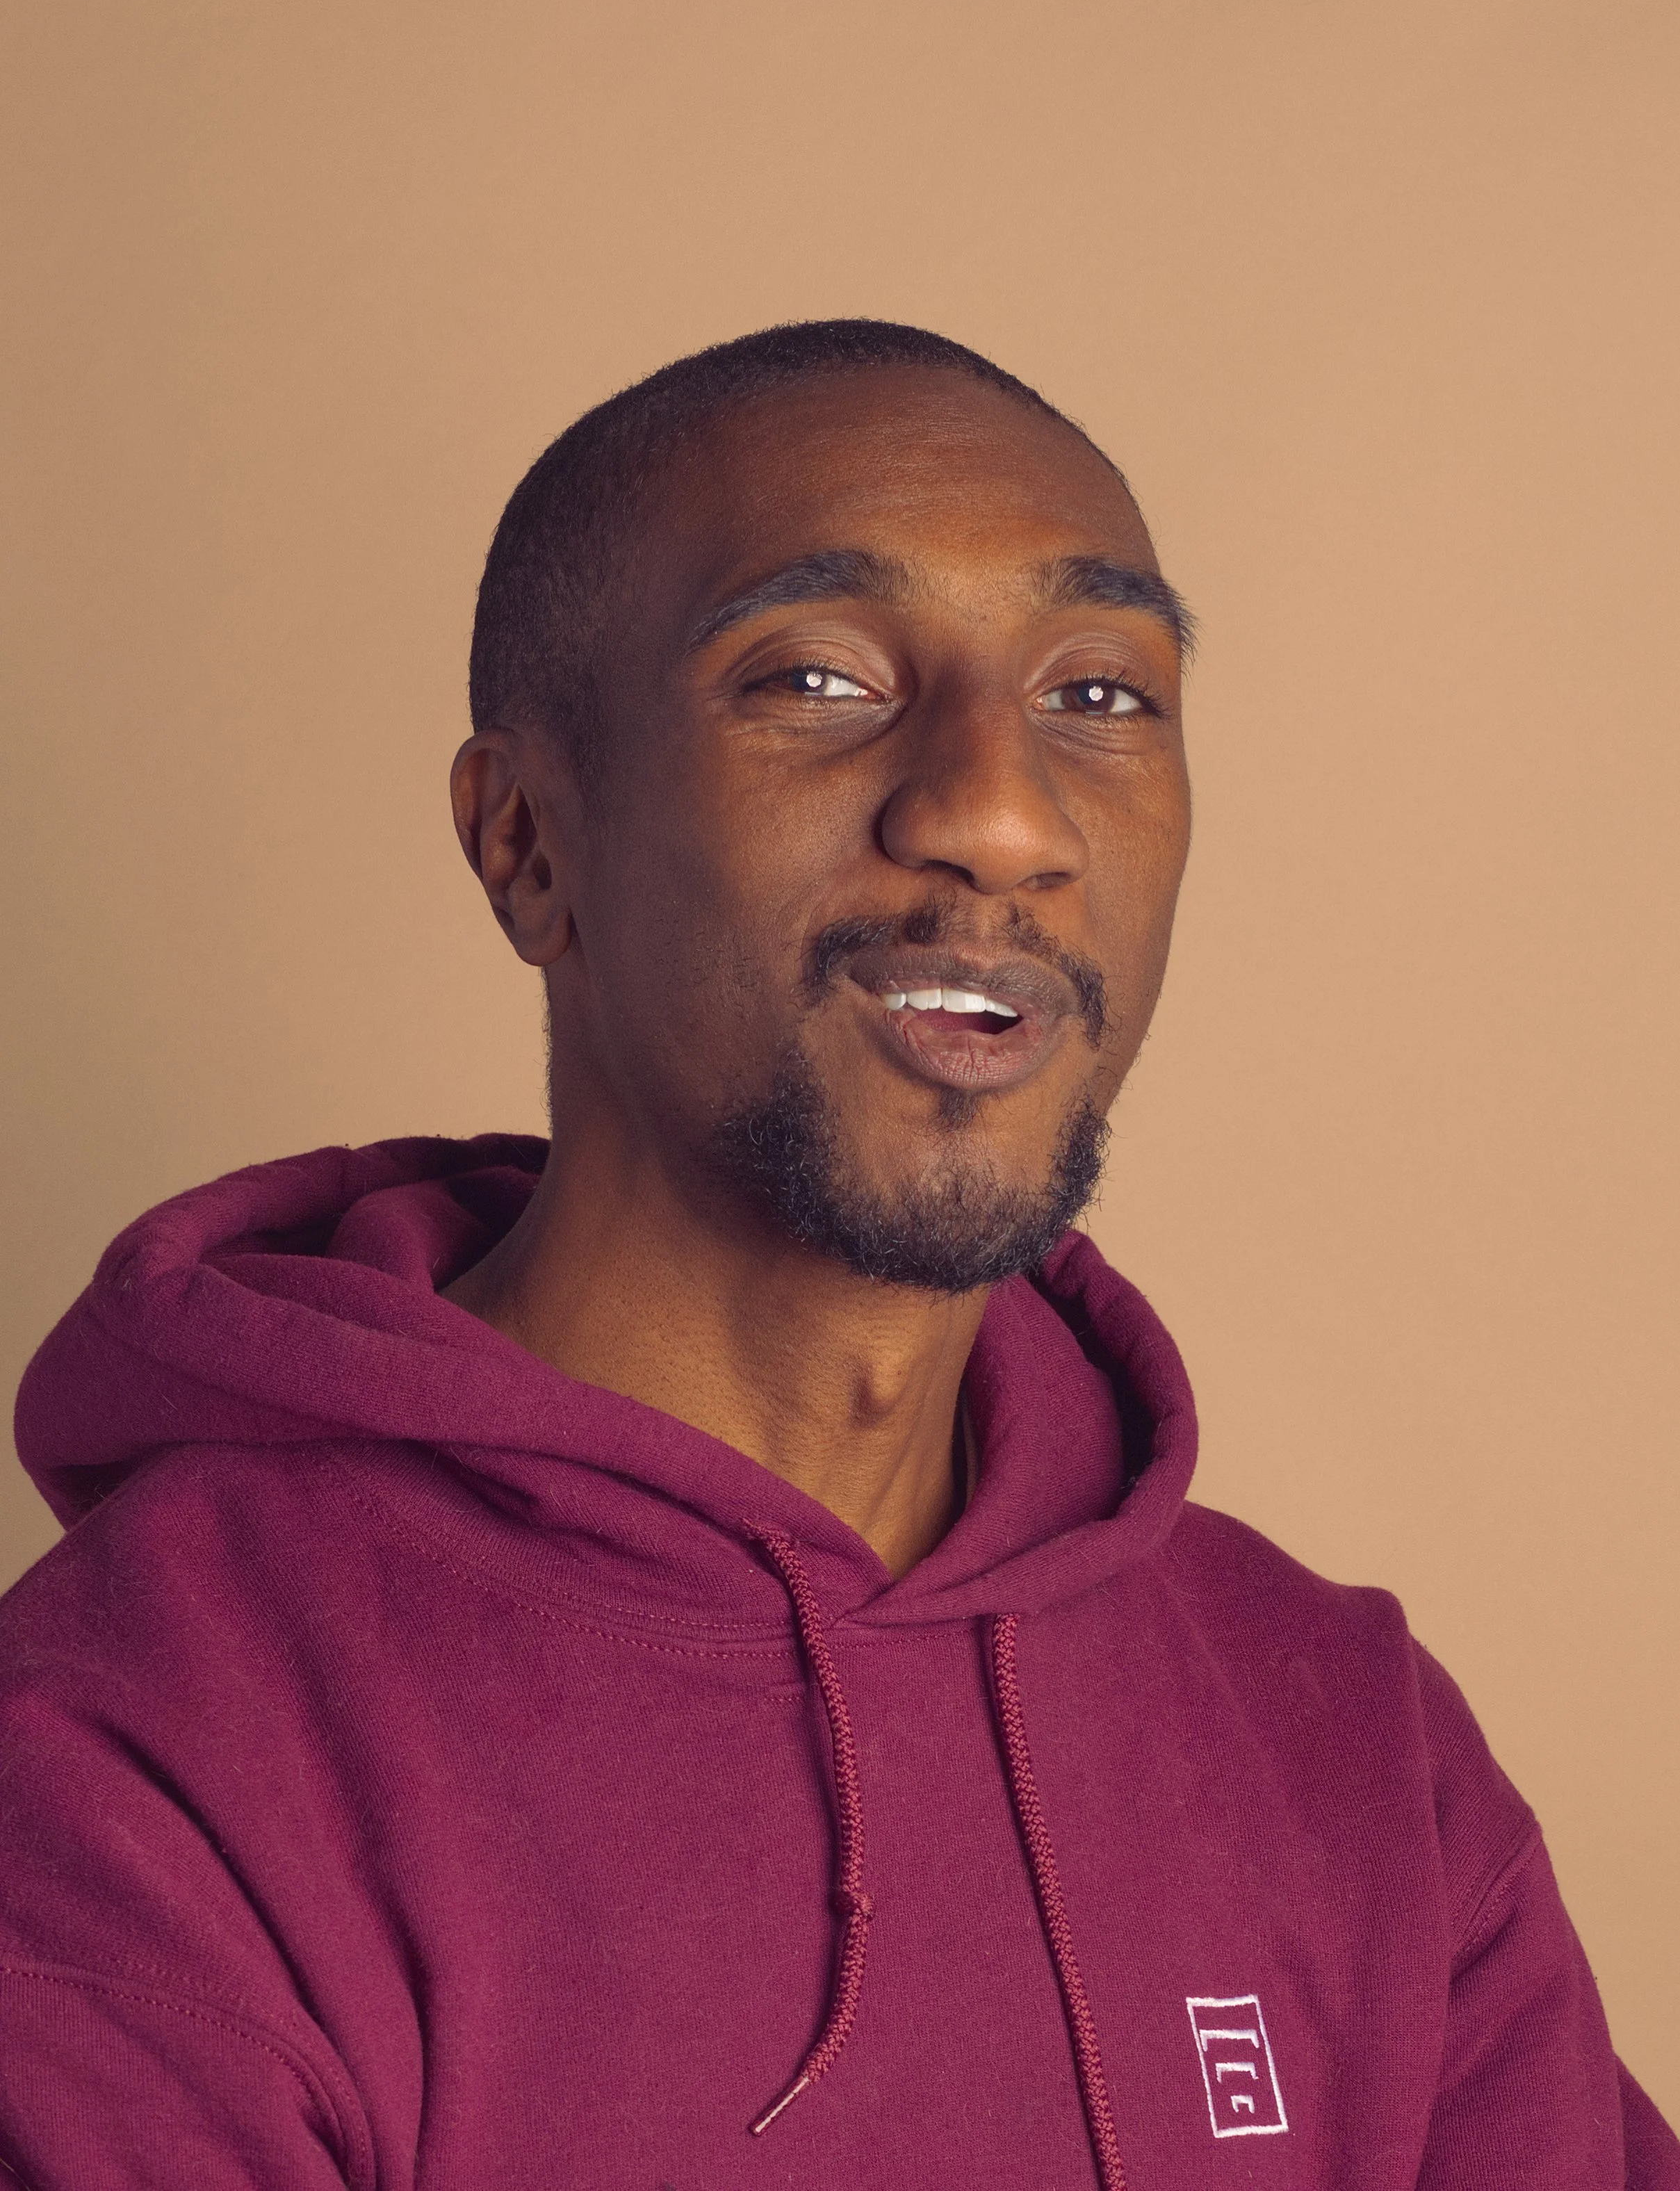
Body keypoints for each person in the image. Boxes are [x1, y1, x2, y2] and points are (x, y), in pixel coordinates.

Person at [1, 320, 1672, 2190]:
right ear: (527, 842)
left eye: (1100, 693)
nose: (999, 811)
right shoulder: (129, 1759)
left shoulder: (1351, 1746)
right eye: (818, 676)